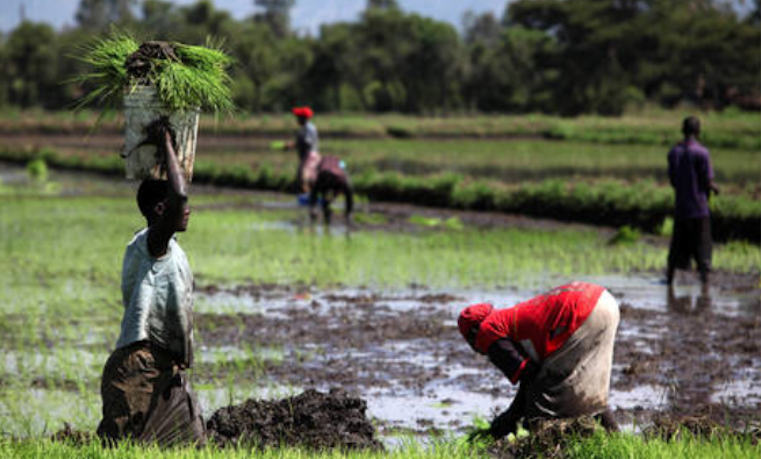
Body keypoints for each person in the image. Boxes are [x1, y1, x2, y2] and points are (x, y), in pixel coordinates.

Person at [97, 118, 205, 447]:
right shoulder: (150, 245)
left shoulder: (170, 249)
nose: (187, 210)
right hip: (138, 368)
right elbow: (179, 195)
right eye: (178, 207)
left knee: (192, 446)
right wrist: (167, 142)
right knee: (116, 448)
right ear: (161, 210)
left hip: (166, 371)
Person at [458, 281, 620, 440]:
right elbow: (529, 376)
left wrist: (506, 421)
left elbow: (528, 376)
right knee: (590, 388)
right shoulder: (510, 320)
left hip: (581, 310)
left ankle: (543, 451)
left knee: (543, 404)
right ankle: (617, 441)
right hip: (604, 300)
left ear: (473, 334)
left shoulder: (488, 331)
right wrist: (510, 417)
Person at [666, 116, 719, 290]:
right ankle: (705, 286)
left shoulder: (674, 152)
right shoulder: (702, 153)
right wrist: (714, 188)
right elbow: (707, 180)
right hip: (699, 208)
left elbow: (673, 180)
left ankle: (669, 281)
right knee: (703, 247)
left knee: (677, 247)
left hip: (681, 207)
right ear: (698, 131)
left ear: (683, 130)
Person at [309, 155, 354, 226]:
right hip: (336, 178)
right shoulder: (339, 160)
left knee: (326, 200)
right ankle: (348, 215)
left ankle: (326, 219)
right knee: (329, 199)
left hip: (327, 178)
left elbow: (314, 190)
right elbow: (345, 168)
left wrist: (313, 206)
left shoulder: (322, 161)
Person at [286, 106, 321, 193]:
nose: (297, 120)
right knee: (303, 178)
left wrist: (293, 145)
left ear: (303, 118)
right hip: (310, 155)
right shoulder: (307, 128)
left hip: (309, 156)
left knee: (304, 179)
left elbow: (306, 142)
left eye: (298, 118)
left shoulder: (308, 128)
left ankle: (309, 198)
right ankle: (308, 197)